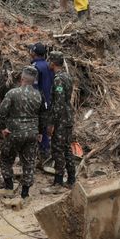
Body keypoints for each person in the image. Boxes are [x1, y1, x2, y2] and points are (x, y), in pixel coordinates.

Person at [0, 66, 45, 199]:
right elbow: (42, 116)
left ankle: (9, 187)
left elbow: (1, 112)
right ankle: (25, 193)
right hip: (32, 133)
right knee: (29, 162)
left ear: (22, 78)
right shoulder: (39, 95)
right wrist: (40, 132)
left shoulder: (13, 93)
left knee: (6, 158)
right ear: (34, 80)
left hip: (15, 133)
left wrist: (3, 128)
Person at [47, 51, 76, 187]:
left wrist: (52, 123)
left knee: (58, 149)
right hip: (68, 117)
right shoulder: (67, 76)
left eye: (49, 61)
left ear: (53, 63)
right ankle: (71, 179)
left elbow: (58, 103)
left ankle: (58, 181)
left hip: (61, 120)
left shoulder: (58, 79)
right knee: (67, 148)